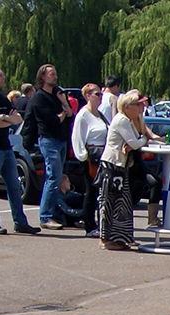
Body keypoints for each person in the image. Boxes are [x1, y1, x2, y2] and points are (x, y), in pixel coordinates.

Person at [0, 66, 39, 235]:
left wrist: (4, 118)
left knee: (14, 185)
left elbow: (18, 118)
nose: (3, 77)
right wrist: (5, 119)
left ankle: (20, 222)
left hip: (5, 146)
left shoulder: (3, 98)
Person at [25, 63, 75, 228]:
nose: (55, 76)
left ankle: (55, 213)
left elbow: (69, 116)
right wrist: (62, 114)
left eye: (55, 73)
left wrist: (64, 103)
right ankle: (45, 216)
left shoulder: (57, 95)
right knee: (53, 177)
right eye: (51, 74)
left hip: (61, 139)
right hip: (49, 140)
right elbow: (51, 121)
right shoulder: (39, 97)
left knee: (58, 177)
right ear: (43, 77)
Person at [100, 91, 149, 250]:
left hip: (122, 166)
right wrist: (143, 140)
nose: (141, 107)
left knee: (123, 204)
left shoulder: (128, 121)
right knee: (110, 202)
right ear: (128, 107)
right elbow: (136, 143)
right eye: (138, 104)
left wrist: (140, 140)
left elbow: (135, 141)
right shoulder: (121, 120)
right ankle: (106, 238)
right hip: (112, 165)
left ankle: (121, 237)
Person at [71, 81, 109, 237]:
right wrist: (84, 157)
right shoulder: (83, 115)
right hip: (90, 157)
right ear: (87, 96)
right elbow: (77, 138)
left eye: (101, 94)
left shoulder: (99, 114)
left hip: (102, 155)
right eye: (97, 94)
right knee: (91, 191)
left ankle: (101, 224)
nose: (100, 97)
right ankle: (89, 225)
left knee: (100, 192)